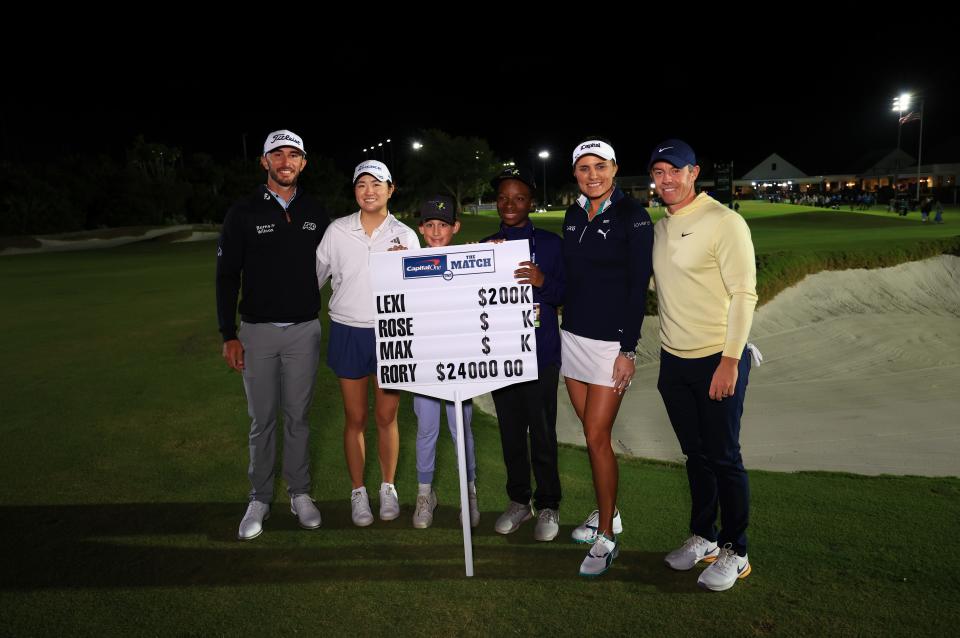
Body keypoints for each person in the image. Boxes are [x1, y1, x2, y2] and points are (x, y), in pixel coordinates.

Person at [649, 139, 759, 592]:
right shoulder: (659, 228)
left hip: (718, 358)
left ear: (694, 172)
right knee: (695, 455)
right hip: (674, 362)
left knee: (725, 457)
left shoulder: (724, 221)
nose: (666, 179)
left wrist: (731, 360)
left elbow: (744, 295)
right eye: (658, 172)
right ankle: (705, 536)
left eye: (674, 170)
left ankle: (737, 550)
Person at [216, 129, 330, 540]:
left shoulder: (317, 211)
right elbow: (227, 277)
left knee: (298, 418)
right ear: (264, 162)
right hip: (257, 333)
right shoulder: (243, 212)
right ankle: (260, 498)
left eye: (293, 155)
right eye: (277, 154)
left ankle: (299, 493)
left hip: (304, 331)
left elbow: (341, 264)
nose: (286, 161)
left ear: (303, 163)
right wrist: (229, 333)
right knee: (261, 420)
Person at [561, 139, 653, 576]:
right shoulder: (573, 213)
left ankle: (607, 539)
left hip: (610, 345)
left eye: (600, 166)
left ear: (615, 168)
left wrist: (628, 350)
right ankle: (608, 513)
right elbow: (571, 279)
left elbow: (638, 289)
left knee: (597, 436)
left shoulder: (633, 217)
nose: (591, 174)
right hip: (572, 337)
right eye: (583, 168)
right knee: (590, 433)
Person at [315, 160, 420, 526]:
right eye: (362, 184)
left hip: (391, 332)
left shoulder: (405, 235)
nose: (369, 190)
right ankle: (358, 491)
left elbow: (418, 289)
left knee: (386, 416)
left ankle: (387, 486)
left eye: (377, 184)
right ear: (355, 191)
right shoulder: (337, 231)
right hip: (348, 330)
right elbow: (312, 280)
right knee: (355, 417)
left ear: (391, 190)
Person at [480, 167, 565, 542]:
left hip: (540, 354)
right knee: (511, 433)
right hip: (501, 355)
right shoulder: (486, 244)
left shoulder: (550, 243)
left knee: (542, 432)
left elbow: (566, 294)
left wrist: (542, 281)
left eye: (517, 198)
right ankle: (519, 502)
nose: (509, 204)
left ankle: (549, 504)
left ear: (530, 202)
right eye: (502, 198)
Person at [410, 195, 480, 529]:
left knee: (461, 429)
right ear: (421, 228)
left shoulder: (468, 260)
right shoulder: (407, 263)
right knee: (426, 428)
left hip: (460, 364)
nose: (437, 231)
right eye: (430, 225)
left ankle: (470, 492)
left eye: (443, 224)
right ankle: (425, 493)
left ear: (455, 227)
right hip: (423, 363)